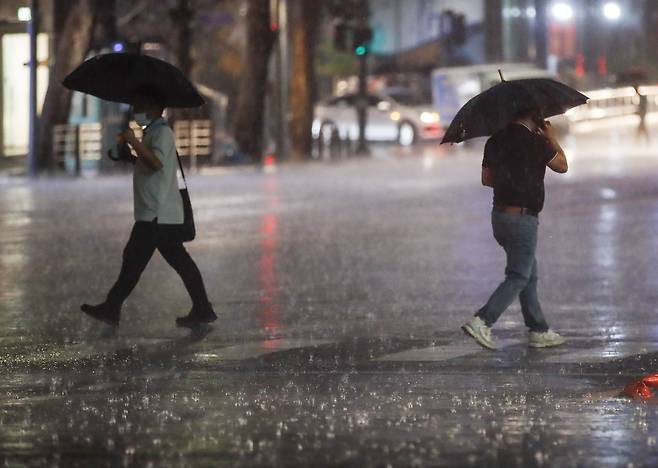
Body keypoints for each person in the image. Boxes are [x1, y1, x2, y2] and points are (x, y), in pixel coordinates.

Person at [81, 87, 217, 328]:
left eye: (139, 105)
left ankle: (112, 307)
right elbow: (151, 163)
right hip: (156, 211)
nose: (135, 110)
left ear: (154, 107)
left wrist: (133, 140)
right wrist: (129, 156)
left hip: (157, 212)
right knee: (177, 260)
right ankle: (203, 308)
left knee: (134, 259)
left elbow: (156, 163)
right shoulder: (153, 132)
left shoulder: (162, 133)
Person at [462, 106, 568, 350]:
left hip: (500, 216)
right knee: (519, 275)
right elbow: (562, 166)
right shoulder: (536, 143)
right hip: (523, 219)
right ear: (534, 116)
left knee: (528, 272)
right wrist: (551, 138)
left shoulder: (495, 141)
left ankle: (538, 329)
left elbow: (486, 179)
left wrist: (510, 175)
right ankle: (483, 320)